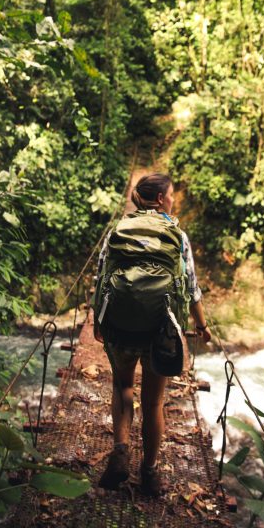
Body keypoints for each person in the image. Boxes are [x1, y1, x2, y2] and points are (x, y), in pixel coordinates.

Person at [90, 173, 211, 497]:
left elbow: (102, 275)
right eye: (171, 194)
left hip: (120, 327)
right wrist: (201, 326)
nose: (173, 199)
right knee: (154, 401)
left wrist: (97, 320)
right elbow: (191, 285)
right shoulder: (177, 235)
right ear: (160, 200)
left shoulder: (118, 230)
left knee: (123, 386)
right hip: (161, 328)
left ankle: (120, 452)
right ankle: (150, 473)